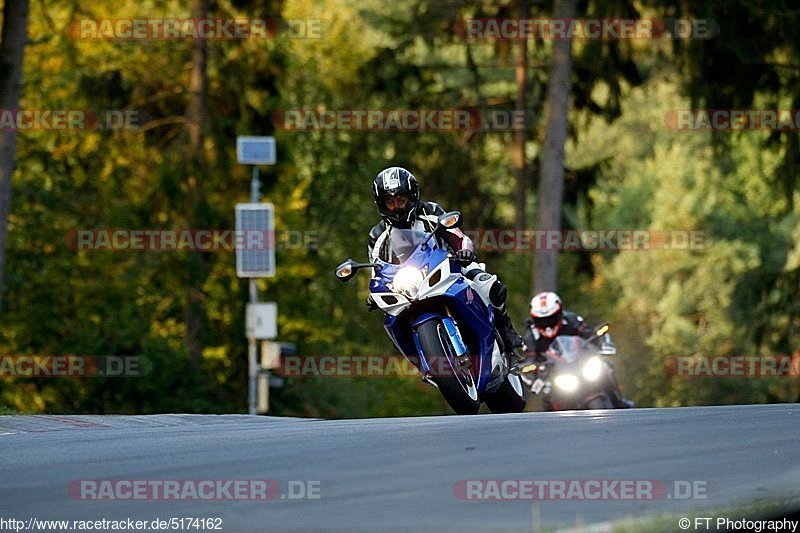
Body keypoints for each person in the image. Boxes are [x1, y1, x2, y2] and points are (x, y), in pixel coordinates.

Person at [366, 166, 525, 363]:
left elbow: (457, 235)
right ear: (381, 203)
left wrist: (464, 250)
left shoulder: (430, 211)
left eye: (401, 199)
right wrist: (374, 293)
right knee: (394, 320)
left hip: (448, 262)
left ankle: (508, 334)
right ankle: (423, 359)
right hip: (407, 281)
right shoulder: (377, 234)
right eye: (390, 202)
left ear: (412, 196)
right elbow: (377, 268)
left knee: (490, 286)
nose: (397, 206)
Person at [524, 291, 633, 408]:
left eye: (551, 319)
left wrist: (602, 343)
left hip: (581, 365)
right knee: (549, 398)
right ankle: (556, 424)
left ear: (559, 313)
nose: (547, 325)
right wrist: (535, 374)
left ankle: (618, 401)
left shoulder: (571, 320)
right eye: (542, 321)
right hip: (557, 376)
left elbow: (590, 334)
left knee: (606, 366)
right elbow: (529, 361)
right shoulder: (531, 337)